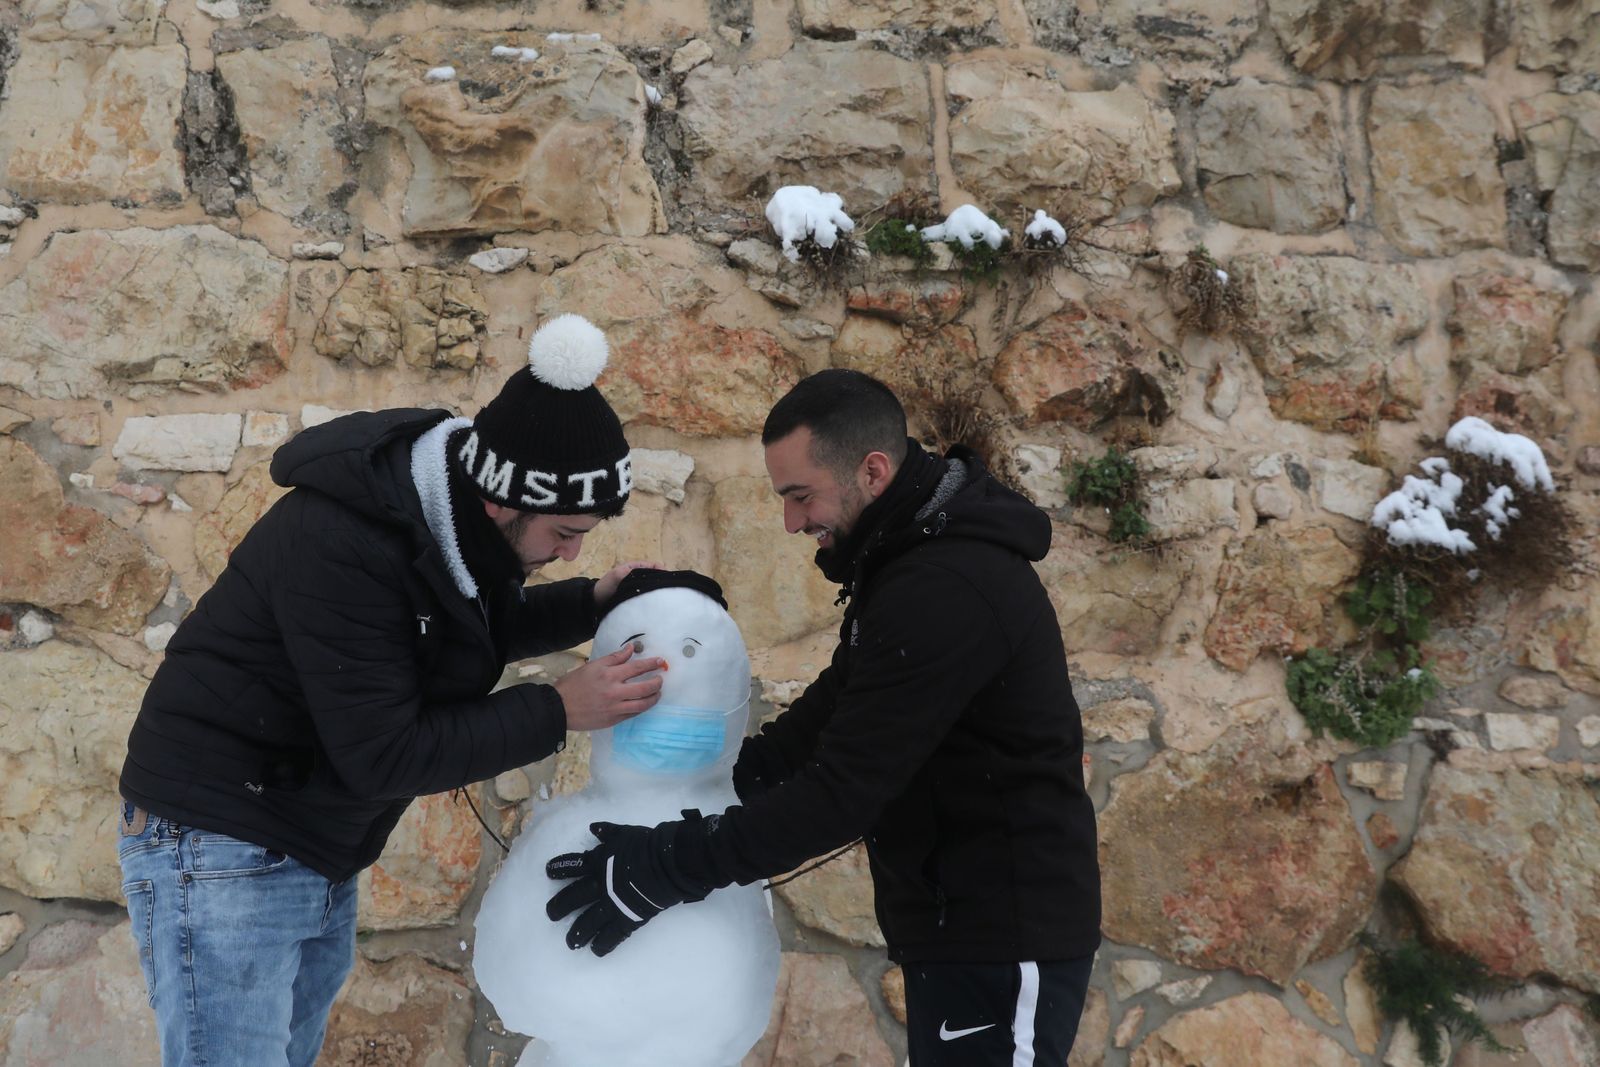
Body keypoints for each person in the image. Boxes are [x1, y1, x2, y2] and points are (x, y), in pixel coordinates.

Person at [116, 314, 666, 1067]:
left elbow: (478, 624)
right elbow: (385, 750)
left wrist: (593, 600)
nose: (573, 549)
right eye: (566, 530)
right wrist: (559, 708)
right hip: (222, 839)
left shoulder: (451, 525)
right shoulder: (348, 541)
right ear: (503, 498)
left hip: (307, 840)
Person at [546, 368, 1102, 1066]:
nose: (790, 522)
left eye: (799, 495)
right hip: (957, 924)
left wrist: (659, 868)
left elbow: (838, 795)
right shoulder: (904, 565)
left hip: (1002, 935)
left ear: (872, 470)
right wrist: (699, 786)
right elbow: (821, 723)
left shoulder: (947, 588)